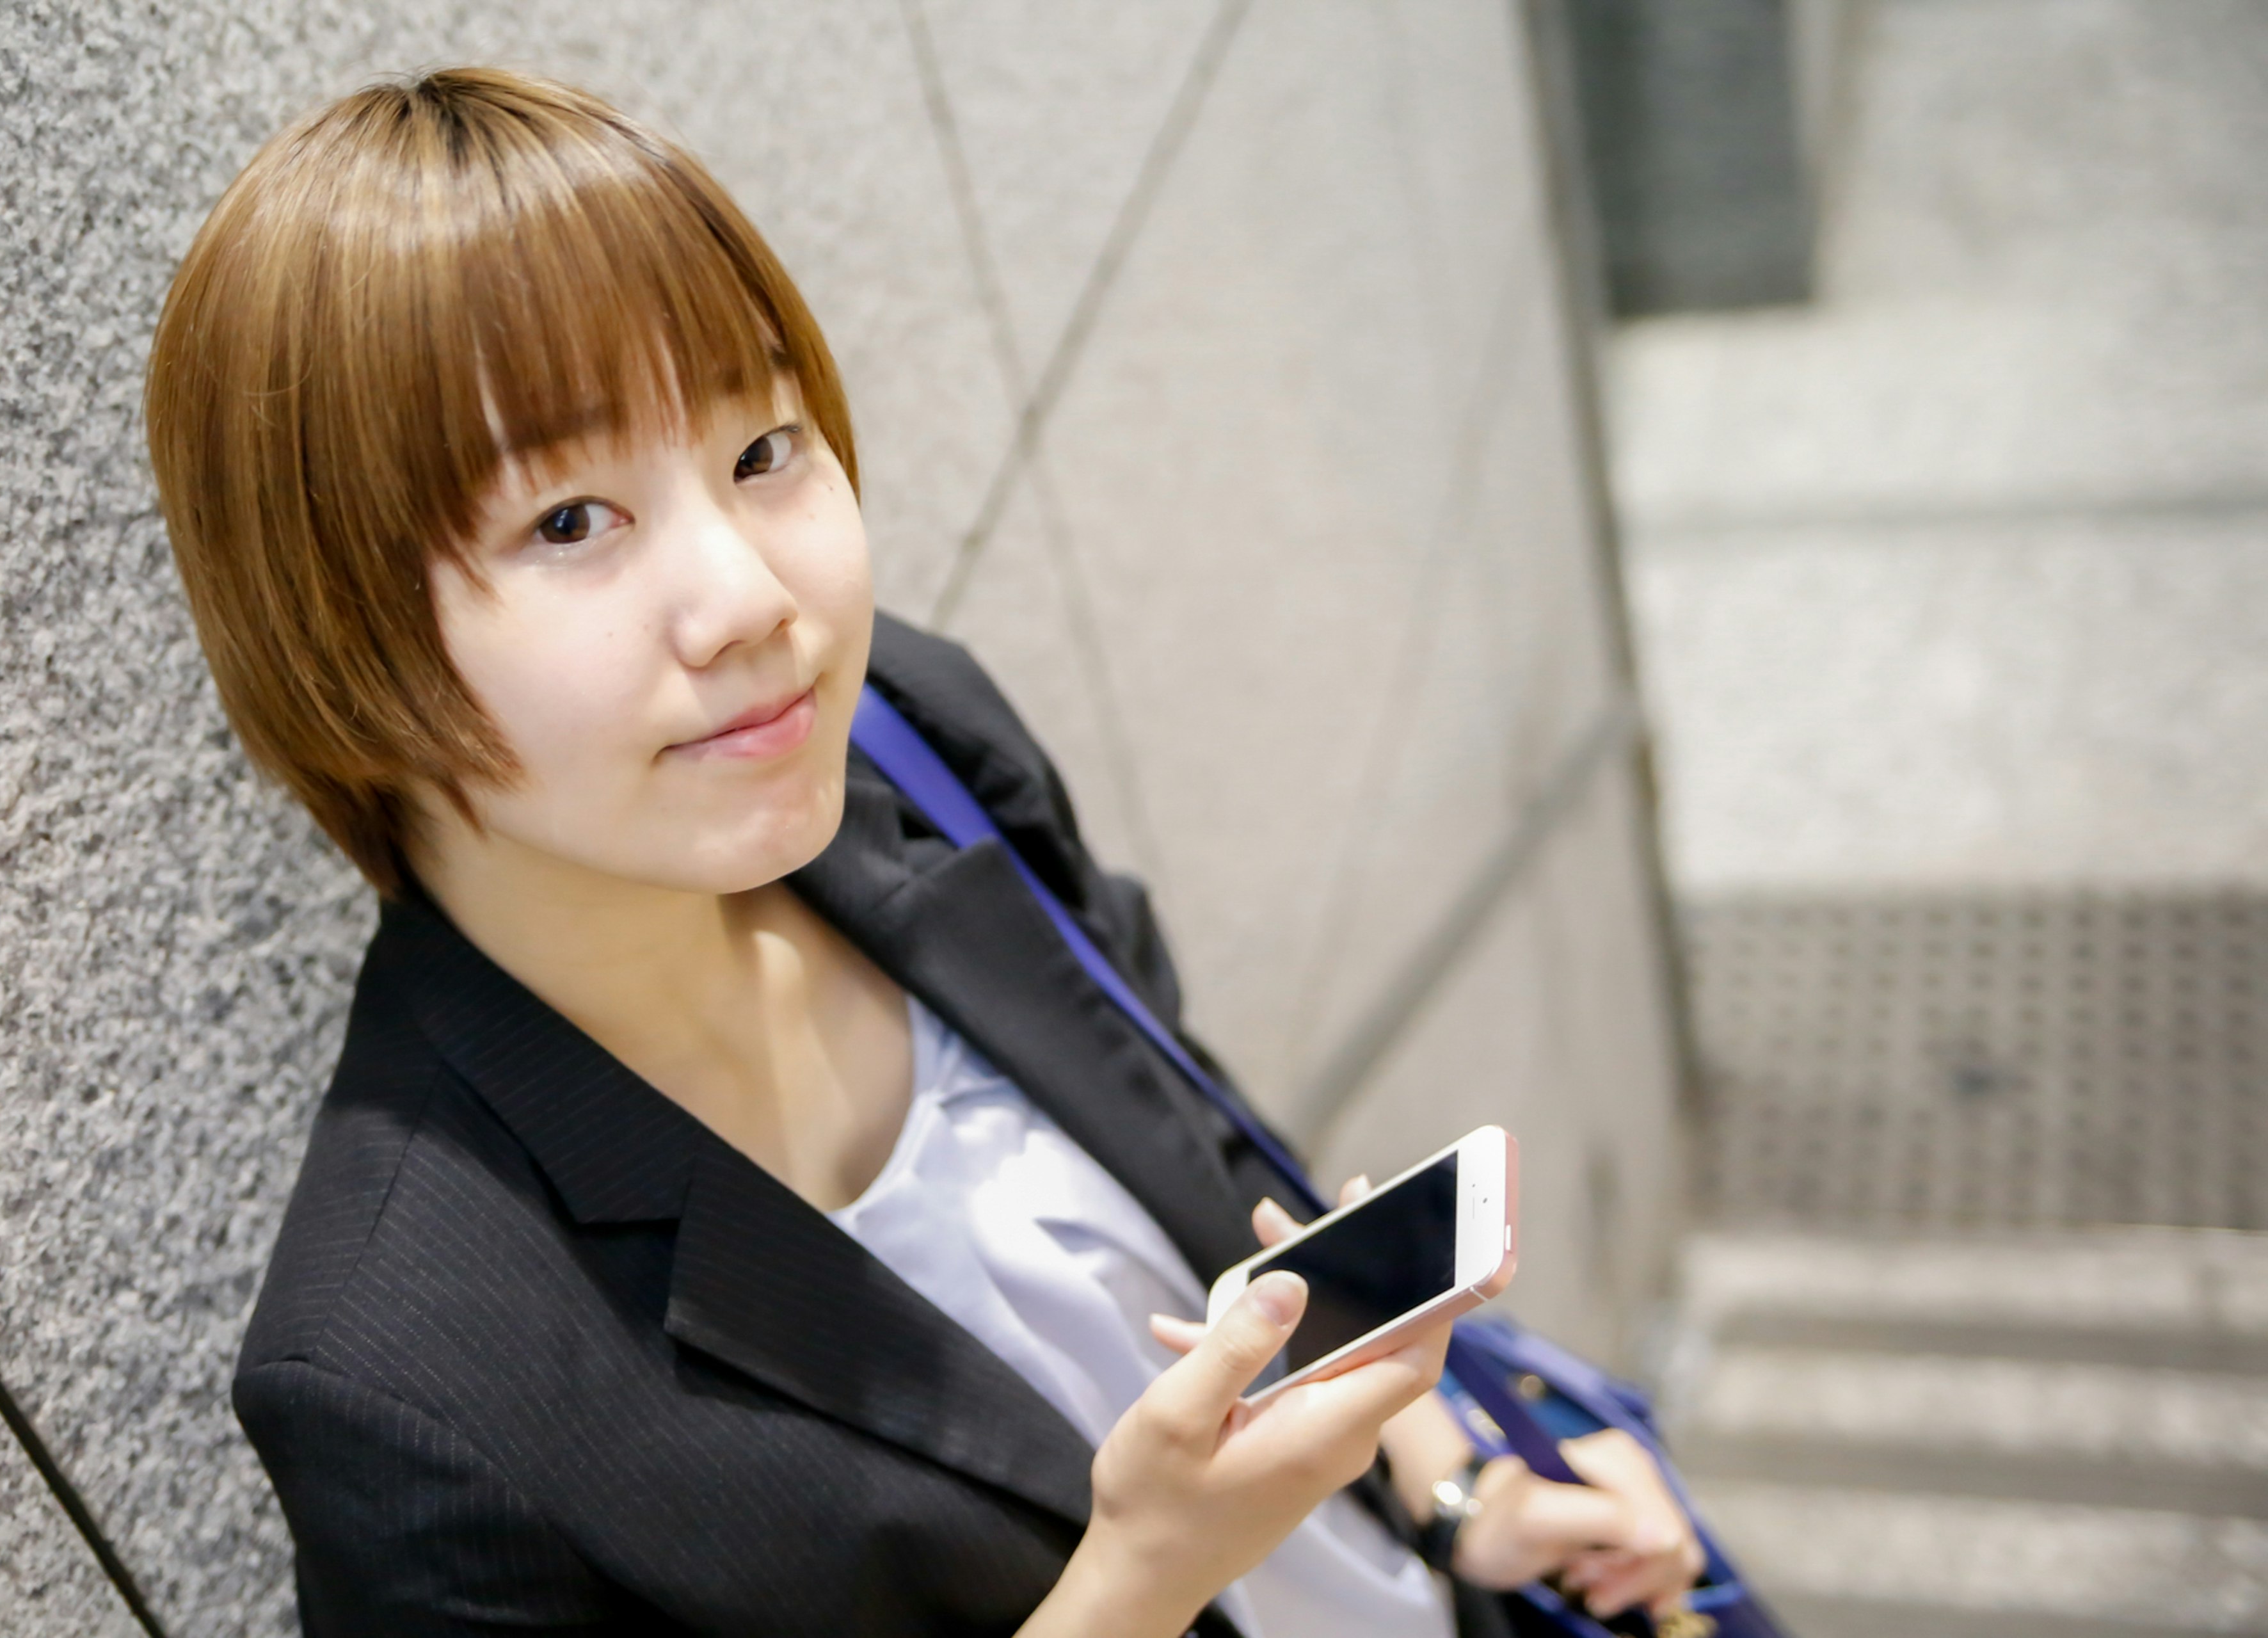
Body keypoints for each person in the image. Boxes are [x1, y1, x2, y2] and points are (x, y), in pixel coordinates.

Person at [143, 67, 1703, 1637]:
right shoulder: (404, 1372)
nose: (754, 597)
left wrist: (1466, 1495)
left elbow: (1198, 1162)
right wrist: (1137, 1581)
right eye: (568, 520)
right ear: (330, 630)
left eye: (764, 447)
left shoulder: (910, 741)